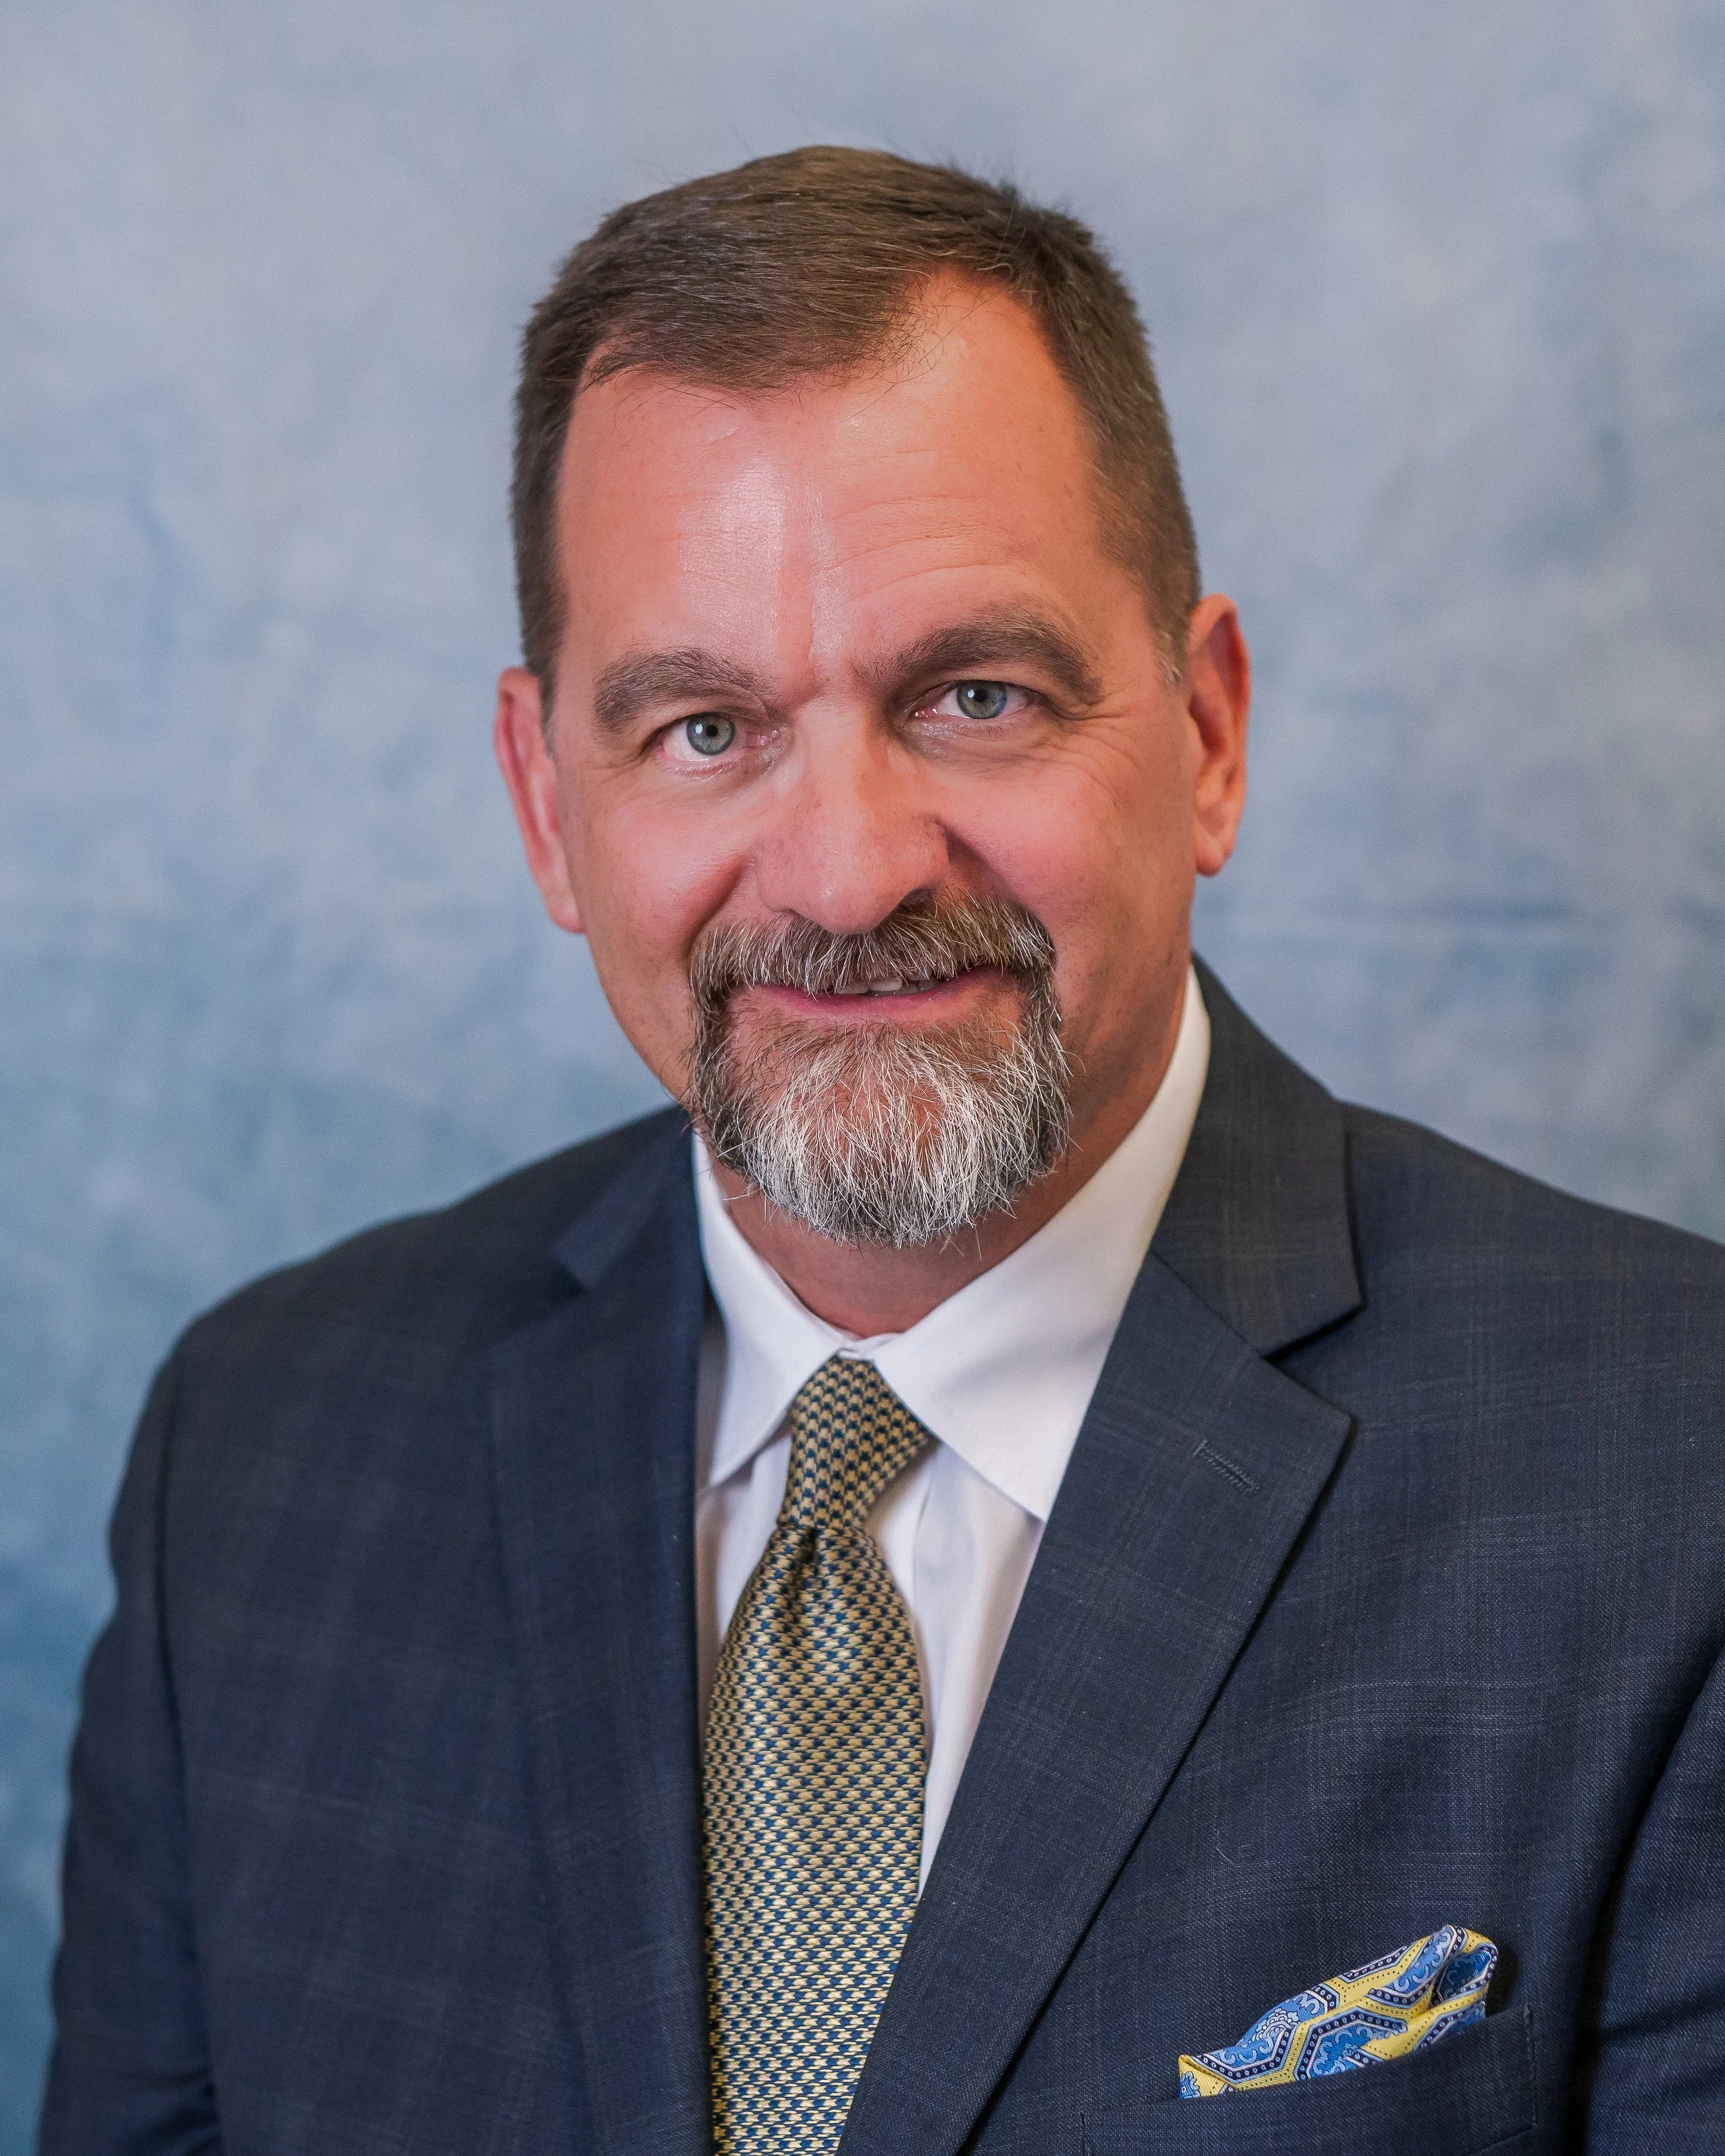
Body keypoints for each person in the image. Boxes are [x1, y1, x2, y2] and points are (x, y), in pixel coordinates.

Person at [39, 146, 1725, 2156]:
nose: (845, 873)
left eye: (976, 695)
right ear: (539, 793)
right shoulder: (265, 1453)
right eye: (700, 729)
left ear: (1202, 733)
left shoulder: (1665, 1470)